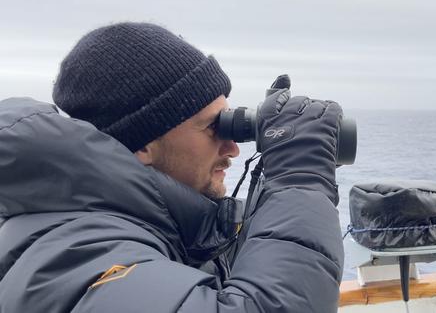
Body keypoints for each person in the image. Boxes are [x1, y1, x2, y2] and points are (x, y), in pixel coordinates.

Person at [0, 23, 344, 312]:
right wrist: (301, 182)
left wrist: (278, 183)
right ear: (143, 145)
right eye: (214, 128)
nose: (233, 148)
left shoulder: (144, 226)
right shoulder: (74, 254)